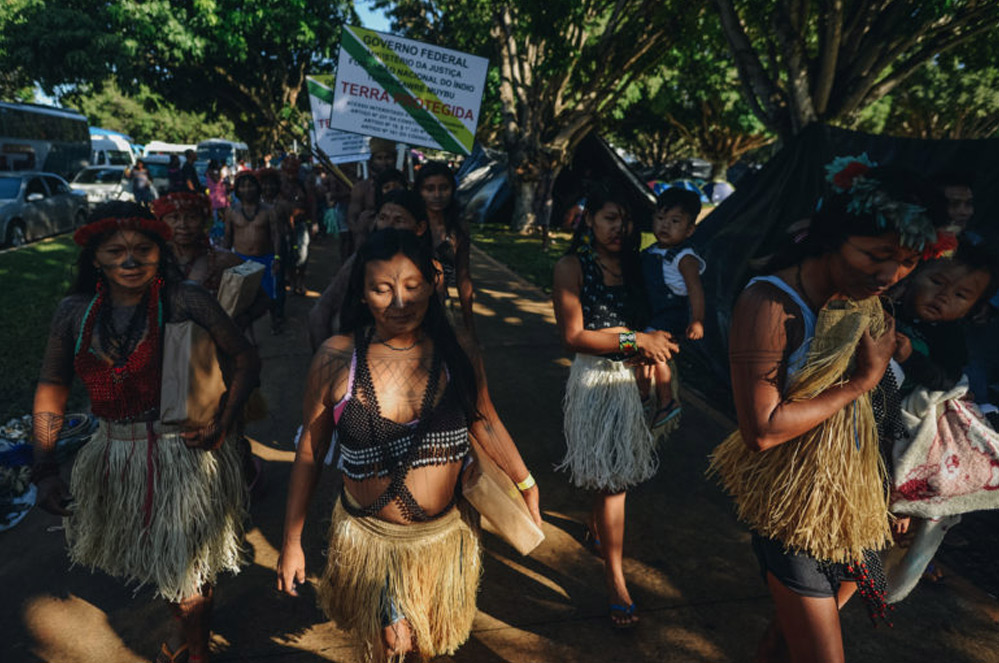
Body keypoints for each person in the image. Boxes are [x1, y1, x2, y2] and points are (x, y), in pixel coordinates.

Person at [708, 156, 948, 663]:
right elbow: (763, 430)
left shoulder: (865, 301)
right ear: (832, 235)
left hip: (852, 506)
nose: (891, 273)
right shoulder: (771, 305)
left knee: (784, 641)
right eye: (877, 254)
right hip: (796, 514)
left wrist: (887, 493)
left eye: (907, 260)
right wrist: (862, 379)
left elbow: (879, 413)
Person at [278, 227, 541, 662]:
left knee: (427, 646)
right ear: (362, 293)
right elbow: (309, 449)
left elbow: (486, 422)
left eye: (412, 286)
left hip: (441, 541)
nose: (399, 302)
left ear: (434, 285)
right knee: (392, 644)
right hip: (370, 542)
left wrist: (526, 482)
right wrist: (291, 540)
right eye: (382, 289)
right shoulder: (335, 357)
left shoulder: (459, 351)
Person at [32, 202, 260, 663]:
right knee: (162, 566)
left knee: (189, 569)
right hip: (114, 454)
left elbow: (245, 359)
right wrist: (44, 468)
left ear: (161, 251)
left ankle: (189, 647)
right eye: (115, 251)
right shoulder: (73, 313)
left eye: (142, 249)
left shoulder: (185, 298)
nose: (130, 261)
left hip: (185, 457)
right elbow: (52, 387)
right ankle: (193, 634)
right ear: (94, 257)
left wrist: (223, 420)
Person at [551, 184, 678, 628]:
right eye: (609, 218)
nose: (619, 228)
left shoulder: (637, 266)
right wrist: (633, 340)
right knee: (614, 484)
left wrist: (653, 352)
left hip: (635, 384)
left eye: (625, 220)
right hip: (596, 384)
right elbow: (574, 336)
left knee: (611, 479)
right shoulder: (572, 267)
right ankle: (615, 579)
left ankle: (598, 524)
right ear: (589, 220)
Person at [309, 189, 429, 351]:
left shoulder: (431, 265)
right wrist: (325, 360)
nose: (388, 226)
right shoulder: (361, 260)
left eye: (399, 220)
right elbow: (320, 312)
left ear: (420, 228)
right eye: (383, 218)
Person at [638, 187, 706, 434]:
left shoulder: (684, 257)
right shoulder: (651, 251)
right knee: (643, 354)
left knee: (654, 353)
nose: (665, 226)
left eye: (675, 221)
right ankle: (645, 395)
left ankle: (667, 401)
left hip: (671, 313)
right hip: (654, 312)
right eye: (660, 218)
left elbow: (695, 290)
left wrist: (697, 320)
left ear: (689, 230)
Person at [415, 161, 475, 332]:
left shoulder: (458, 228)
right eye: (429, 188)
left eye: (443, 188)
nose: (437, 194)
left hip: (441, 308)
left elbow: (463, 278)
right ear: (420, 191)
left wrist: (469, 327)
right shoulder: (410, 224)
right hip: (406, 307)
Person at [224, 171, 285, 333]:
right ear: (237, 190)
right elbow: (228, 238)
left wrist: (277, 257)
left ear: (257, 188)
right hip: (241, 259)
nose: (247, 189)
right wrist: (224, 259)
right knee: (242, 299)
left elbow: (276, 235)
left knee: (270, 296)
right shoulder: (231, 211)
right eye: (243, 186)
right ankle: (246, 331)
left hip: (265, 258)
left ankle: (275, 322)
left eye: (250, 185)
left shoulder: (269, 211)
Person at [346, 138, 397, 257]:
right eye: (379, 158)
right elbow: (352, 218)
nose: (384, 162)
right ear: (372, 161)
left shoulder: (403, 186)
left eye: (388, 158)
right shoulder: (362, 188)